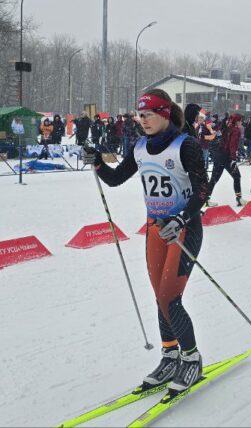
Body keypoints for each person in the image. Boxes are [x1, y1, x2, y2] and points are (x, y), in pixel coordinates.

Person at [84, 89, 210, 391]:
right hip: (155, 229)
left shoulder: (186, 145)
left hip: (183, 229)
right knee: (159, 298)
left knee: (170, 298)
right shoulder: (140, 147)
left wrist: (181, 218)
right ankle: (170, 355)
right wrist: (98, 163)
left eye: (148, 114)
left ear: (165, 114)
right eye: (140, 116)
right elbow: (115, 179)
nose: (143, 121)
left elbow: (202, 191)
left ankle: (191, 359)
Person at [207, 113, 245, 207]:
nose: (241, 122)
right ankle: (239, 199)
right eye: (240, 121)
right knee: (237, 176)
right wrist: (233, 159)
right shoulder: (235, 130)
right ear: (237, 121)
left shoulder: (226, 127)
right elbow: (232, 145)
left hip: (218, 155)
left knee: (214, 179)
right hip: (227, 157)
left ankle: (205, 199)